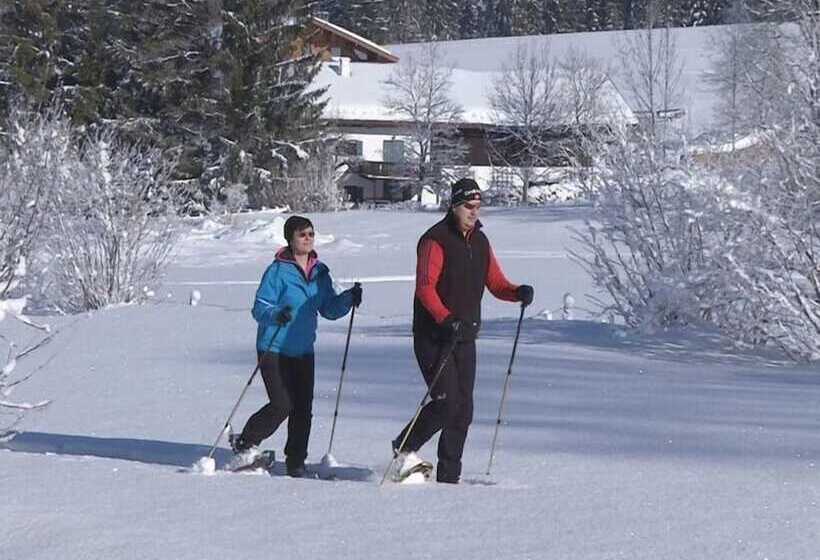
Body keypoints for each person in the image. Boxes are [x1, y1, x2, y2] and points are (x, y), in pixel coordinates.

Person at [391, 178, 534, 484]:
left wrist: (517, 292)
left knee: (463, 409)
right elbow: (425, 288)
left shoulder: (480, 242)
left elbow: (496, 283)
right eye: (468, 206)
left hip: (465, 337)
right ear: (454, 206)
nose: (474, 212)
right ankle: (404, 450)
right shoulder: (435, 240)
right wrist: (445, 318)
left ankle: (449, 477)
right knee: (446, 402)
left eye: (478, 207)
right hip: (434, 336)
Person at [229, 215, 362, 477]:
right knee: (281, 404)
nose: (308, 238)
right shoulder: (277, 271)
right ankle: (246, 441)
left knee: (303, 408)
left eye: (311, 234)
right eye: (302, 234)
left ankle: (296, 461)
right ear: (290, 238)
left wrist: (348, 299)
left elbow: (328, 309)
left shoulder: (320, 273)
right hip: (274, 347)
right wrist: (277, 313)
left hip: (303, 349)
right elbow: (260, 307)